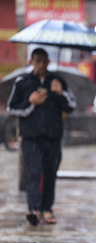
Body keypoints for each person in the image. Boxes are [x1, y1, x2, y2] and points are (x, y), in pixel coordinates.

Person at [7, 48, 76, 225]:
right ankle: (34, 209)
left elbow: (71, 106)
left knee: (51, 173)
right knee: (35, 172)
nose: (41, 64)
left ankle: (47, 209)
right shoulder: (22, 82)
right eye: (38, 60)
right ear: (31, 62)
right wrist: (30, 103)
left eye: (45, 61)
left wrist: (61, 92)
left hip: (53, 137)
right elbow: (11, 109)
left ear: (48, 62)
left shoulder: (57, 80)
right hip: (31, 137)